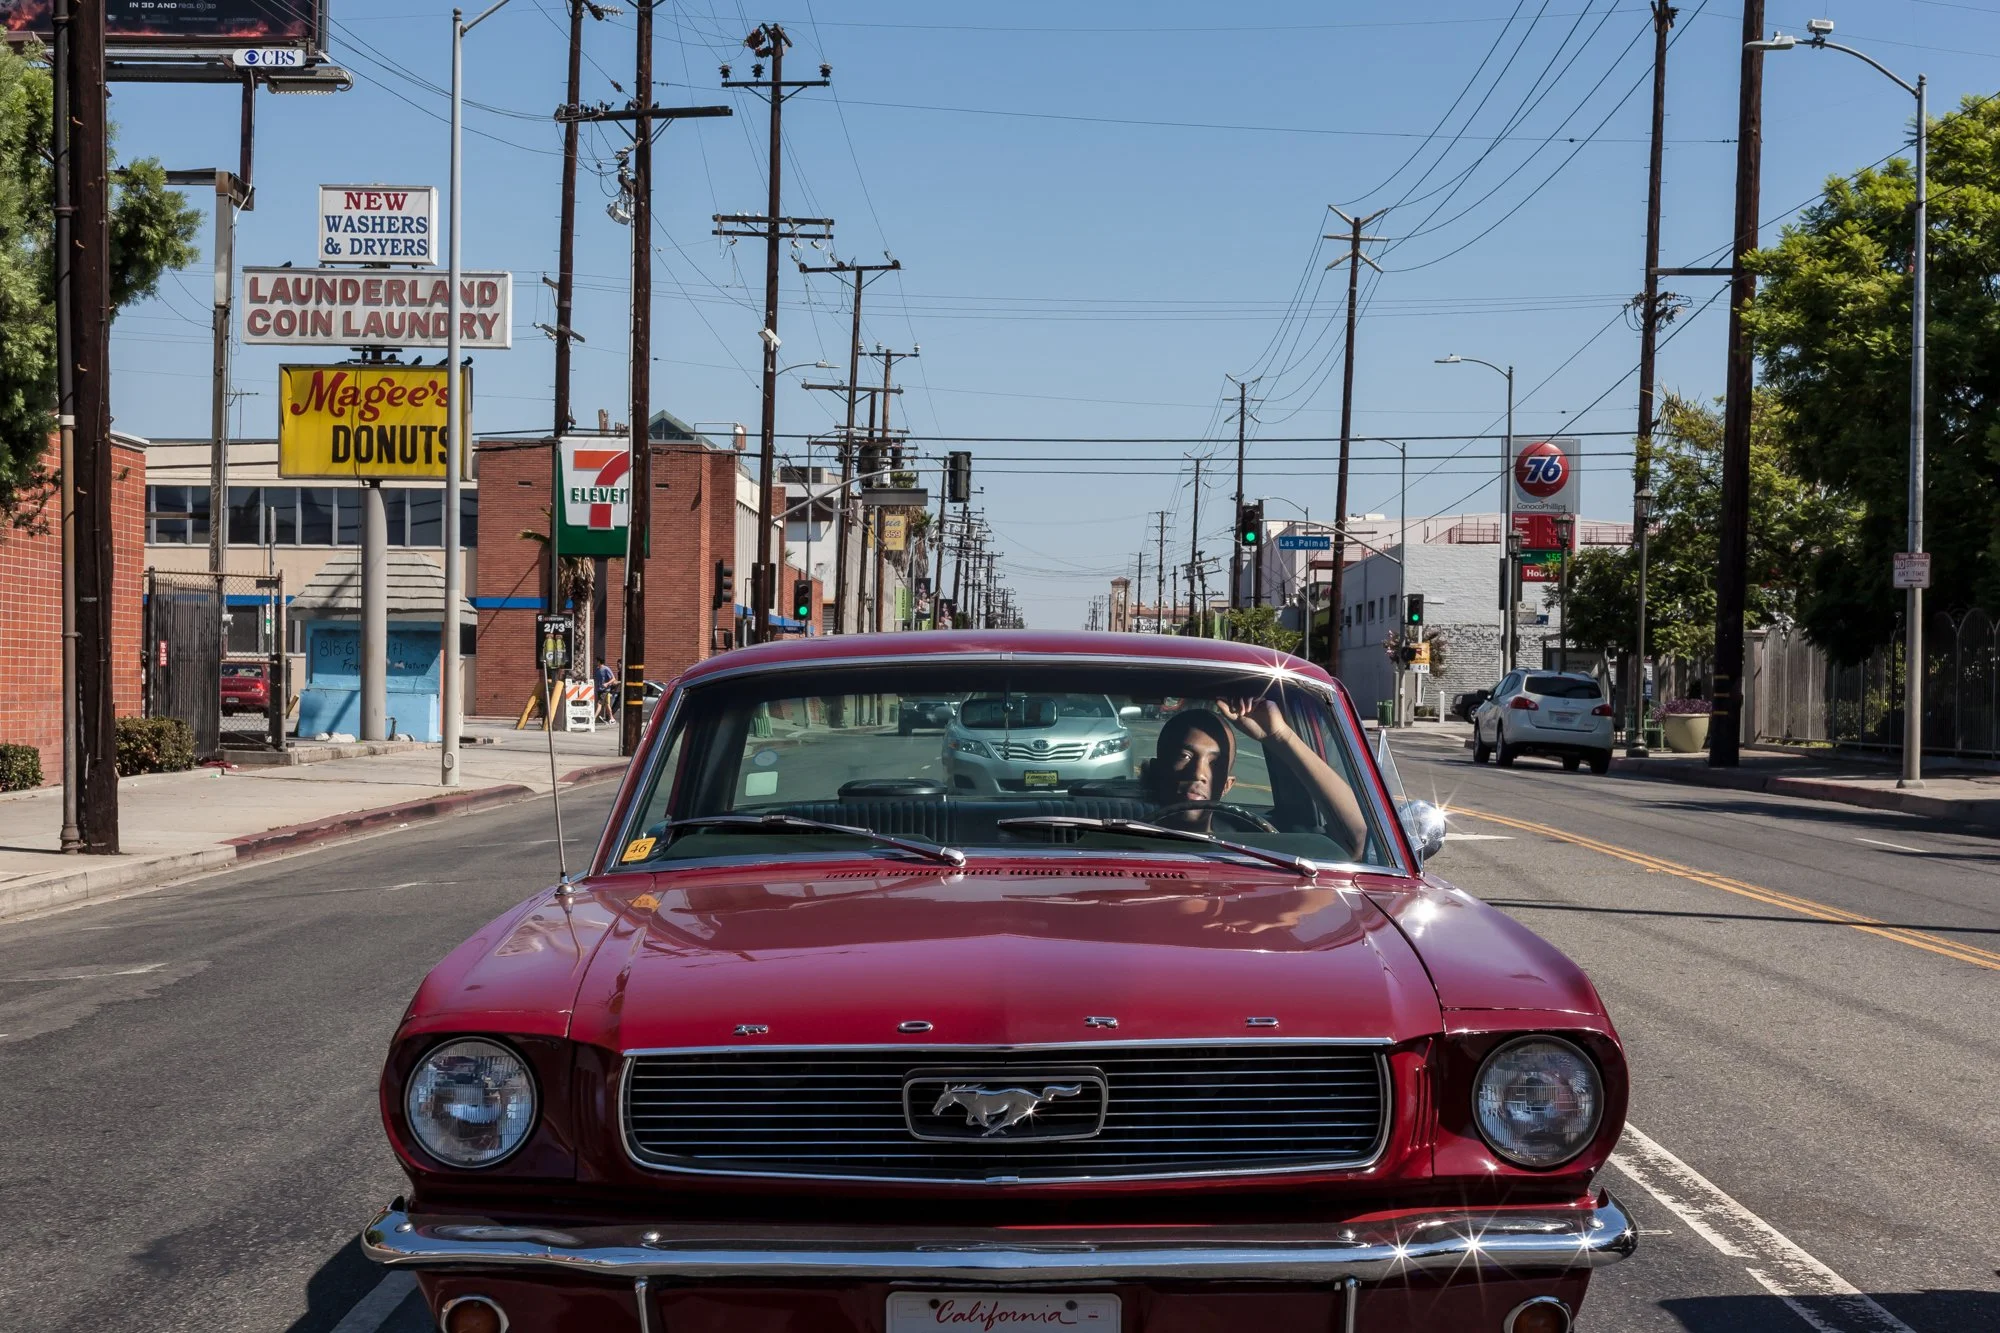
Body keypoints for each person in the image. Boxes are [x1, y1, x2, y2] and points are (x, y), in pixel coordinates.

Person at [1139, 698, 1369, 859]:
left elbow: (1356, 839)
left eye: (1215, 764)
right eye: (1185, 756)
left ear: (1227, 785)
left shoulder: (1256, 842)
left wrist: (1281, 736)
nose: (1198, 773)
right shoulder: (1117, 839)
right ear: (1156, 770)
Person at [595, 658, 616, 723]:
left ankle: (593, 718)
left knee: (599, 704)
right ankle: (612, 719)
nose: (596, 662)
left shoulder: (606, 669)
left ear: (599, 662)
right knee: (607, 704)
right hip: (599, 689)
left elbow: (613, 679)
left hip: (605, 690)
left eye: (597, 661)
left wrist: (607, 684)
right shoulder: (597, 669)